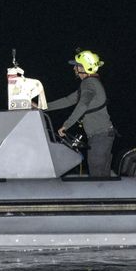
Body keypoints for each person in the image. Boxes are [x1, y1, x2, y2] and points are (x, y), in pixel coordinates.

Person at [46, 49, 116, 177]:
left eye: (76, 66)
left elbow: (82, 105)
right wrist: (42, 107)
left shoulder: (88, 83)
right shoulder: (91, 84)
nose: (74, 69)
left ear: (84, 67)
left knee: (98, 177)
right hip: (102, 136)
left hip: (100, 137)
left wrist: (66, 125)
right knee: (103, 176)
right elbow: (68, 100)